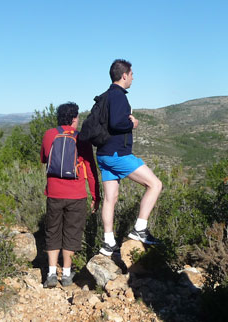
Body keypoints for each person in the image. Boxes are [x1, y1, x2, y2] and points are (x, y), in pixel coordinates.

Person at [96, 59, 163, 256]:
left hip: (103, 154)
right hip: (118, 154)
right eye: (132, 74)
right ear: (124, 75)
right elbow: (117, 123)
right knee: (155, 184)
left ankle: (108, 242)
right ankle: (140, 229)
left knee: (110, 198)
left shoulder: (104, 96)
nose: (133, 78)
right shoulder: (118, 97)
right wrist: (132, 124)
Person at [40, 102, 101, 288]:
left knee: (53, 230)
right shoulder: (81, 138)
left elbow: (44, 159)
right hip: (76, 195)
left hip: (54, 192)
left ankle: (50, 273)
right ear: (74, 118)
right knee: (72, 232)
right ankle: (66, 275)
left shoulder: (50, 134)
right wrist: (95, 195)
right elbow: (90, 169)